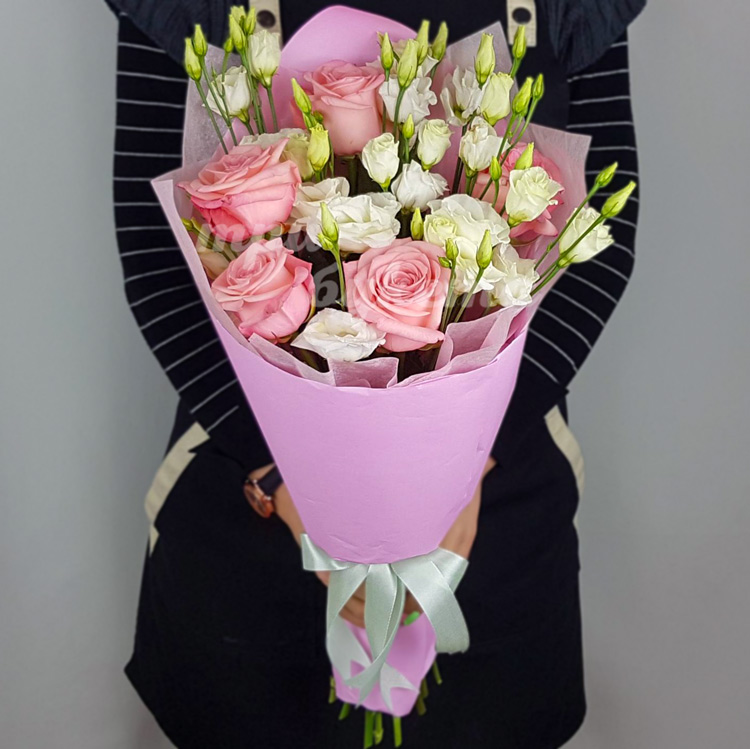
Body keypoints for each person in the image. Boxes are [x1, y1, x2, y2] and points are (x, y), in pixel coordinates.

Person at [106, 1, 644, 746]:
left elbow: (599, 230)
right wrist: (290, 479)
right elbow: (157, 246)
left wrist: (462, 469)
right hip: (250, 501)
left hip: (493, 506)